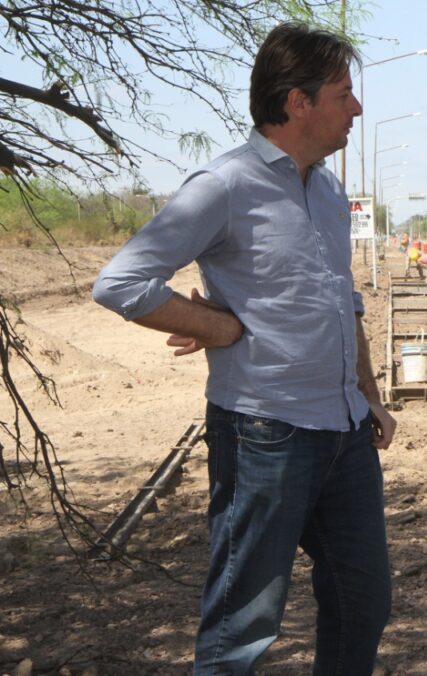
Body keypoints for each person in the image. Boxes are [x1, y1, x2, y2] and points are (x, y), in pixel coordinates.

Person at [92, 22, 396, 675]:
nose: (357, 109)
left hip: (344, 436)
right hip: (265, 435)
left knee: (364, 603)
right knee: (243, 628)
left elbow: (343, 300)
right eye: (344, 94)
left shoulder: (329, 191)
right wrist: (218, 328)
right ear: (298, 102)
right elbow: (121, 281)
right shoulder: (226, 184)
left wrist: (367, 394)